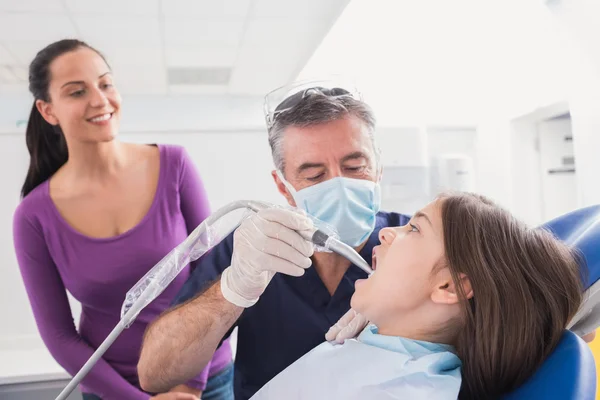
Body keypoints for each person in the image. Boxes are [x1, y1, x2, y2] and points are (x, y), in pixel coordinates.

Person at [137, 84, 411, 399]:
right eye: (313, 175)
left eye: (354, 167)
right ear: (282, 187)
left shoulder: (413, 244)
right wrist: (233, 289)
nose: (339, 185)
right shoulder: (254, 246)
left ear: (378, 168)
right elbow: (154, 373)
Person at [12, 39, 233, 400]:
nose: (99, 100)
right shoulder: (33, 217)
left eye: (105, 83)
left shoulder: (174, 166)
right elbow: (59, 336)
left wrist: (189, 385)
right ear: (48, 110)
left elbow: (213, 280)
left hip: (206, 381)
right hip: (113, 390)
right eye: (77, 91)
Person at [248, 192, 584, 399]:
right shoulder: (383, 345)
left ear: (449, 287)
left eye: (414, 228)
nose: (386, 231)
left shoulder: (402, 392)